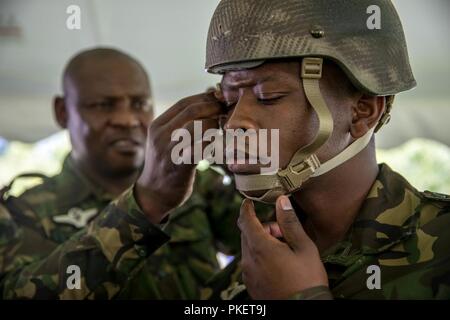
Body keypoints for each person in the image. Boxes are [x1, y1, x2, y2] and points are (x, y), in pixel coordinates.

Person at [0, 48, 256, 299]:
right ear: (63, 112)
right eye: (103, 105)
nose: (126, 119)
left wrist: (235, 156)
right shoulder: (22, 213)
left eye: (139, 103)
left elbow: (270, 236)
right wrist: (147, 204)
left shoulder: (196, 185)